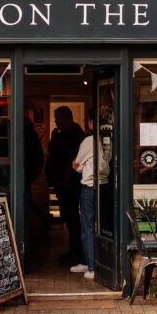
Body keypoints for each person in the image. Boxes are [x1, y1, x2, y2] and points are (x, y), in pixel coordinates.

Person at [45, 106, 86, 266]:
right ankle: (73, 250)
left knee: (72, 218)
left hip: (69, 185)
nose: (55, 121)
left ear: (67, 117)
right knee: (69, 218)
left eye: (58, 118)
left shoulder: (75, 134)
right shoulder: (61, 133)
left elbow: (74, 158)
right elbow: (52, 150)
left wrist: (65, 179)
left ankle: (77, 252)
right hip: (62, 184)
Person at [71, 119, 109, 279]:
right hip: (105, 186)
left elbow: (77, 165)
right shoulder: (108, 140)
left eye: (87, 119)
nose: (86, 122)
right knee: (102, 224)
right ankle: (86, 261)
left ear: (92, 122)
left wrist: (79, 164)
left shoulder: (89, 140)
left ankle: (93, 267)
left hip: (90, 188)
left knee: (87, 227)